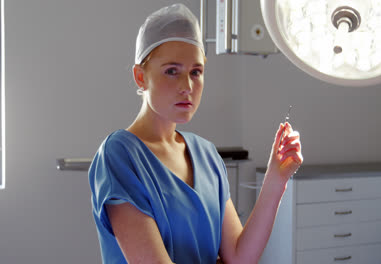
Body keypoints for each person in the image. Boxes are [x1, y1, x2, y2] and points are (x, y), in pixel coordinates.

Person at [88, 3, 302, 264]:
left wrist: (275, 179)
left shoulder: (207, 155)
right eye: (171, 71)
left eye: (196, 72)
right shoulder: (119, 155)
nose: (187, 86)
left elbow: (240, 256)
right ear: (140, 76)